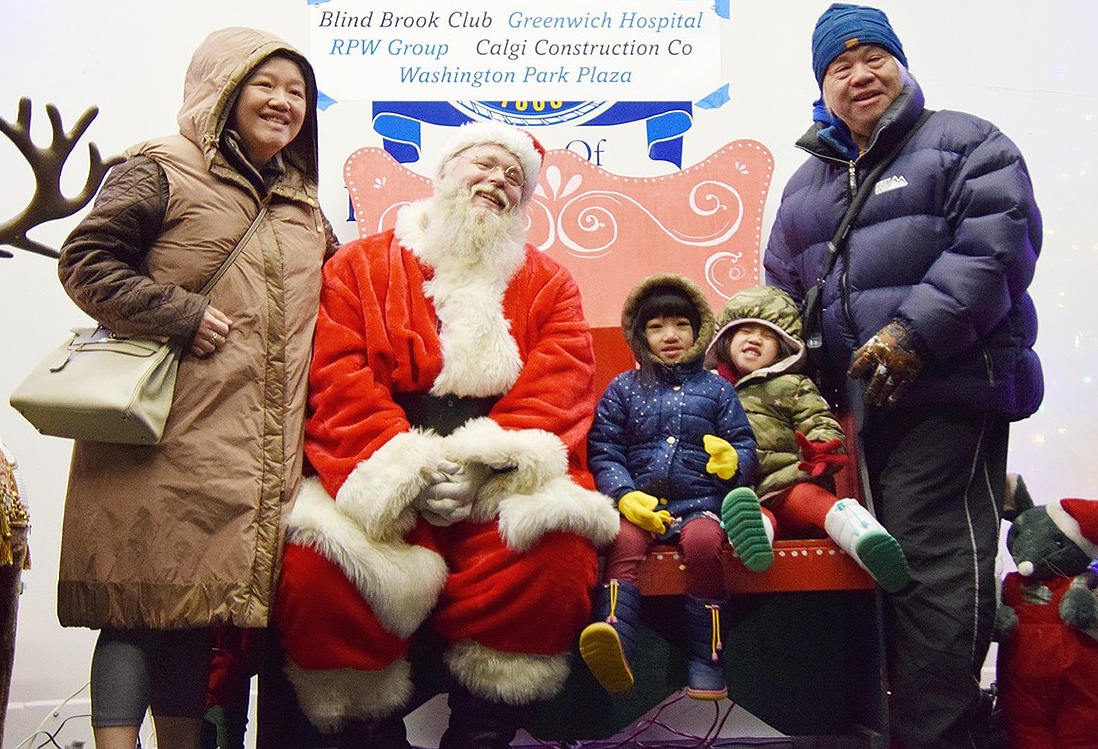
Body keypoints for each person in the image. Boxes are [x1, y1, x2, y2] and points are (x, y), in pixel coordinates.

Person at [270, 120, 619, 749]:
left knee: (554, 558)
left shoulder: (550, 283)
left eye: (514, 178)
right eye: (482, 166)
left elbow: (559, 386)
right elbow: (336, 375)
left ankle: (482, 731)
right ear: (444, 174)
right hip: (379, 462)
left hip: (498, 475)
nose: (497, 183)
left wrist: (485, 465)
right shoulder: (359, 265)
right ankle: (367, 732)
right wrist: (403, 469)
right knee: (318, 567)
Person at [763, 3, 1043, 749]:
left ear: (901, 62)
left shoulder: (963, 142)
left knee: (932, 564)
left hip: (947, 397)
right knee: (864, 575)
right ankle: (883, 725)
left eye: (872, 57)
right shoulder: (802, 188)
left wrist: (910, 334)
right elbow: (782, 299)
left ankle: (942, 733)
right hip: (846, 423)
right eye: (839, 66)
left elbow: (995, 248)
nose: (860, 76)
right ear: (820, 88)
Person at [55, 27, 337, 749]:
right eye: (264, 85)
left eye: (296, 92)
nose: (282, 102)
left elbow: (344, 296)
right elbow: (85, 261)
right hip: (159, 431)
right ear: (222, 90)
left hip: (245, 448)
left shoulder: (303, 204)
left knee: (191, 608)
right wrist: (177, 312)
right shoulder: (159, 167)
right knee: (134, 605)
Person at [578, 274, 761, 701]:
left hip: (701, 505)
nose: (670, 335)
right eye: (656, 327)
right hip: (641, 505)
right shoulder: (622, 389)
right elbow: (604, 450)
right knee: (621, 542)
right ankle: (615, 640)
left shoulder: (717, 389)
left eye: (680, 324)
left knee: (704, 544)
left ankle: (708, 658)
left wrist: (734, 462)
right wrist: (623, 494)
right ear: (640, 336)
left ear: (698, 331)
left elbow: (744, 444)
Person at [706, 285, 910, 593]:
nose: (754, 339)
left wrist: (822, 448)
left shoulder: (791, 384)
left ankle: (865, 537)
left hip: (788, 482)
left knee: (812, 501)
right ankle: (752, 540)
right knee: (749, 513)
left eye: (768, 335)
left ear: (785, 347)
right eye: (744, 331)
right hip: (742, 490)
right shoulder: (713, 393)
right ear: (725, 343)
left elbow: (818, 419)